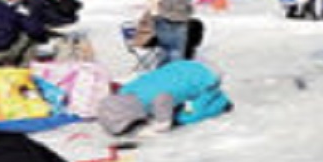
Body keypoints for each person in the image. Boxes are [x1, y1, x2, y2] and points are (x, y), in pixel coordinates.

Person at [95, 59, 232, 136]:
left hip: (206, 77)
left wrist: (156, 126)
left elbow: (163, 120)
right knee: (175, 102)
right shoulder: (126, 90)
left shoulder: (158, 99)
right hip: (181, 66)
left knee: (187, 116)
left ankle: (221, 102)